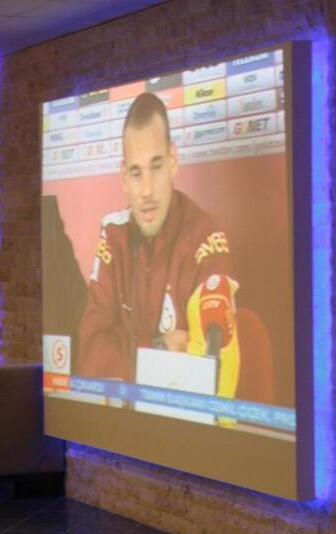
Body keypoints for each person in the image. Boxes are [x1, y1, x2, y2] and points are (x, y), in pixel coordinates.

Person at [77, 92, 240, 394]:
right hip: (120, 418)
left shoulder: (206, 237)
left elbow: (207, 374)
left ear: (173, 162)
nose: (147, 191)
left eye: (156, 166)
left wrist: (126, 353)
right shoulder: (113, 235)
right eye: (136, 173)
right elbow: (91, 355)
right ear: (124, 177)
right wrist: (158, 348)